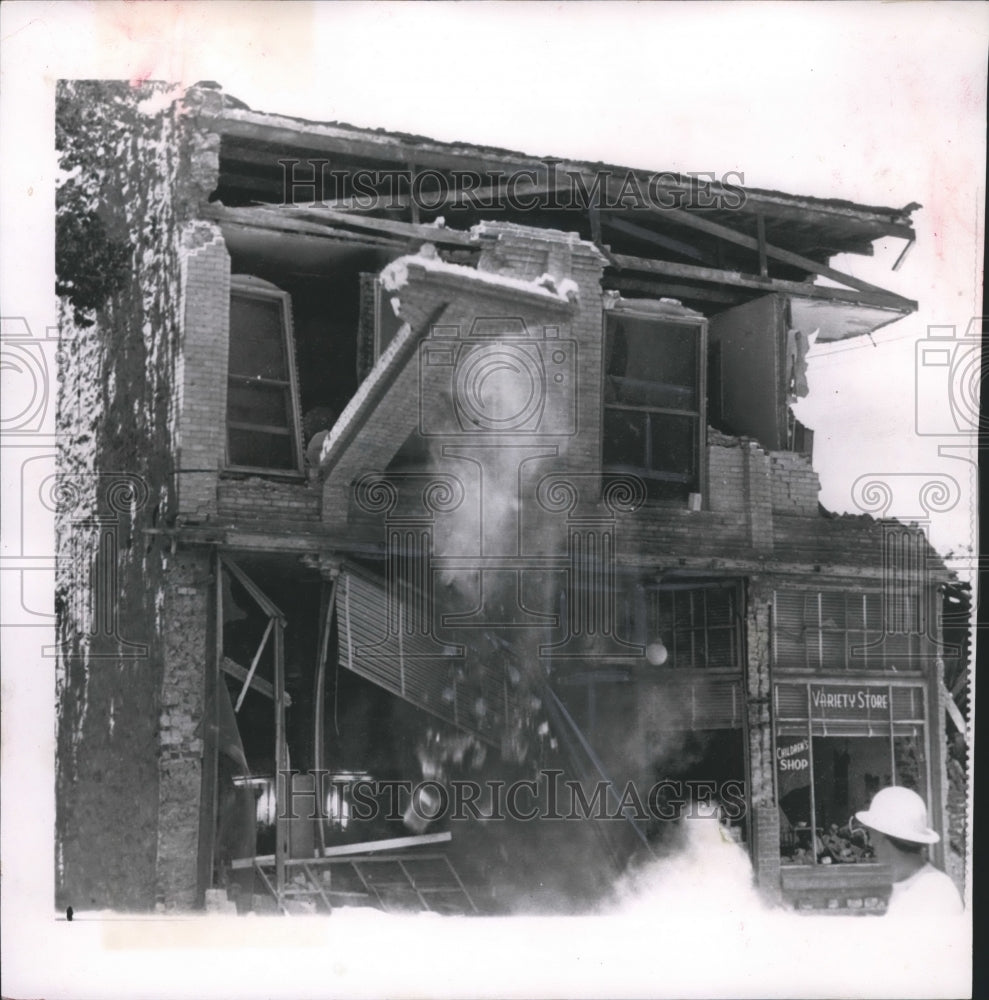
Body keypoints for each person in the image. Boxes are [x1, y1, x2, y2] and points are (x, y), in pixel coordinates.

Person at [855, 785, 963, 917]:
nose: (871, 843)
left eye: (871, 834)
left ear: (881, 838)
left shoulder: (933, 892)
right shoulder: (930, 885)